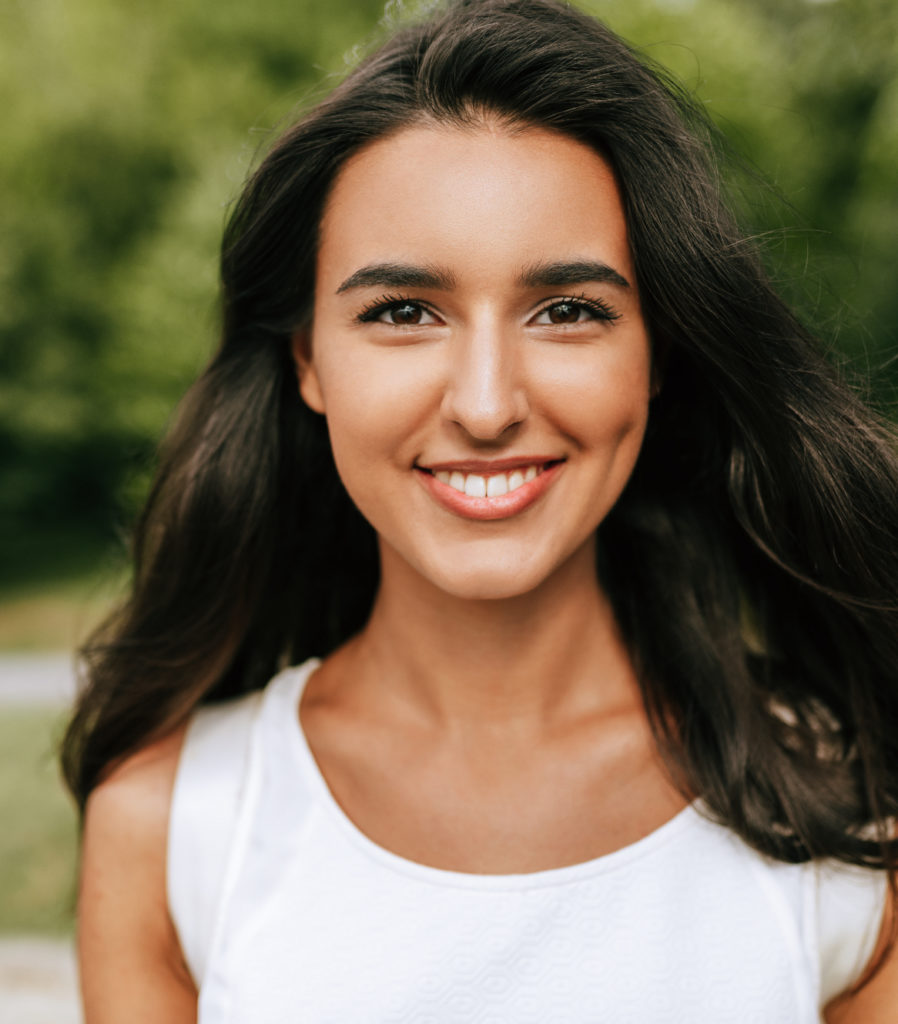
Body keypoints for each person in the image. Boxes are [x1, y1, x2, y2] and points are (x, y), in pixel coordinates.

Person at [62, 0, 898, 1020]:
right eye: (403, 313)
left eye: (567, 311)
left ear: (658, 356)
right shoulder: (172, 827)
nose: (489, 404)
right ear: (307, 361)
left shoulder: (852, 811)